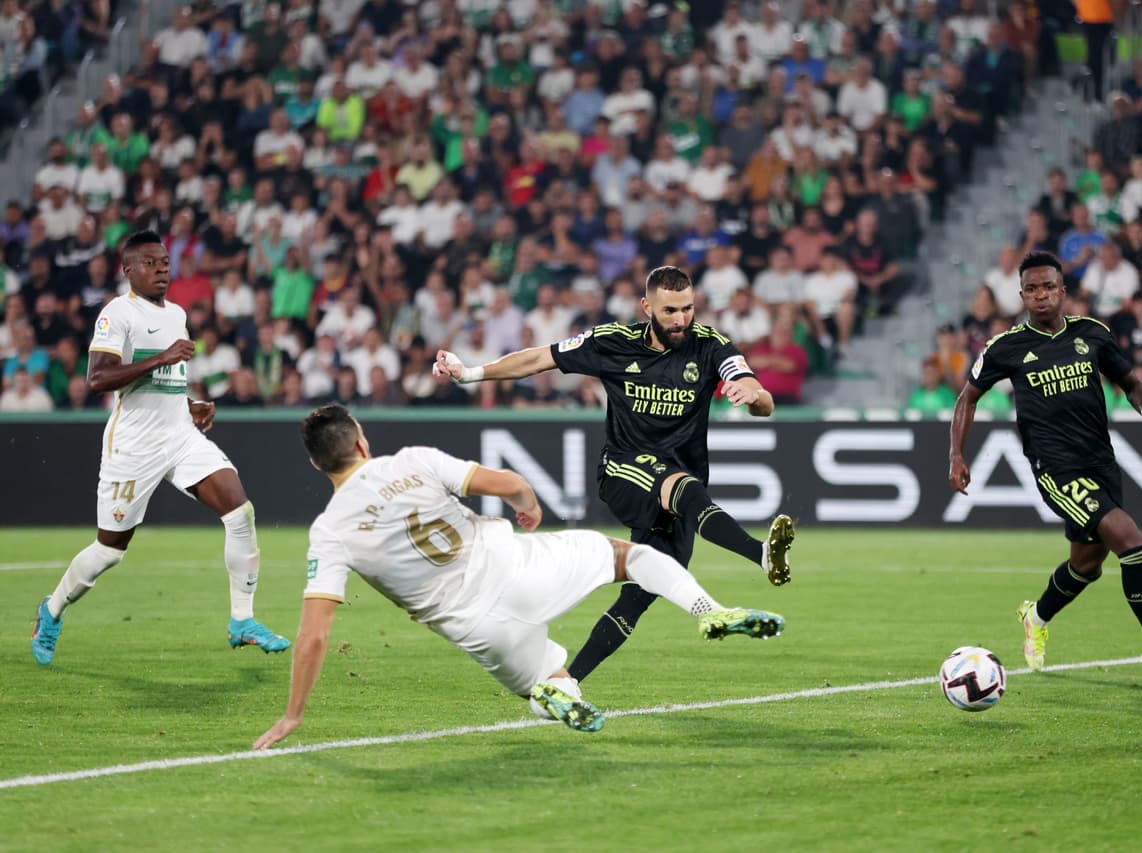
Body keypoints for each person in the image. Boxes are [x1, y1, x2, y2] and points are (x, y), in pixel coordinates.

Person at [253, 405, 784, 746]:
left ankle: (558, 696)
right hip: (518, 567)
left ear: (318, 466)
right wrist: (527, 505)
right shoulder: (412, 460)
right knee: (633, 558)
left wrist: (293, 715)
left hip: (476, 628)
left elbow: (315, 633)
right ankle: (709, 611)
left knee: (541, 689)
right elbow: (508, 482)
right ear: (362, 442)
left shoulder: (330, 531)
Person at [434, 265, 795, 682]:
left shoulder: (710, 345)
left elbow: (760, 396)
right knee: (685, 489)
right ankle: (762, 555)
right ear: (647, 307)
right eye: (670, 310)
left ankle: (563, 684)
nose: (681, 319)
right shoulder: (612, 342)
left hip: (677, 483)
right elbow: (537, 358)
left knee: (640, 593)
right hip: (624, 471)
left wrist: (753, 396)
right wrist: (471, 373)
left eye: (688, 308)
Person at [30, 231, 290, 666]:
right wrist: (162, 357)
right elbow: (98, 378)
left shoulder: (177, 314)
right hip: (133, 445)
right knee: (110, 550)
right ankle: (51, 609)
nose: (162, 270)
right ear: (128, 270)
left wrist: (189, 404)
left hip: (180, 435)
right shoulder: (118, 312)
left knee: (239, 512)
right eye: (151, 263)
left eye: (165, 262)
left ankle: (242, 621)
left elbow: (162, 382)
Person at [948, 251, 1142, 686]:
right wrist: (956, 454)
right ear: (1022, 295)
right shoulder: (1006, 347)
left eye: (1049, 286)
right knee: (1131, 541)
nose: (1041, 295)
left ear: (1063, 291)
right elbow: (967, 397)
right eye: (1032, 289)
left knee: (1087, 564)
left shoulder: (1092, 334)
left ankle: (1037, 616)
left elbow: (1131, 381)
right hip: (1056, 468)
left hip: (1101, 462)